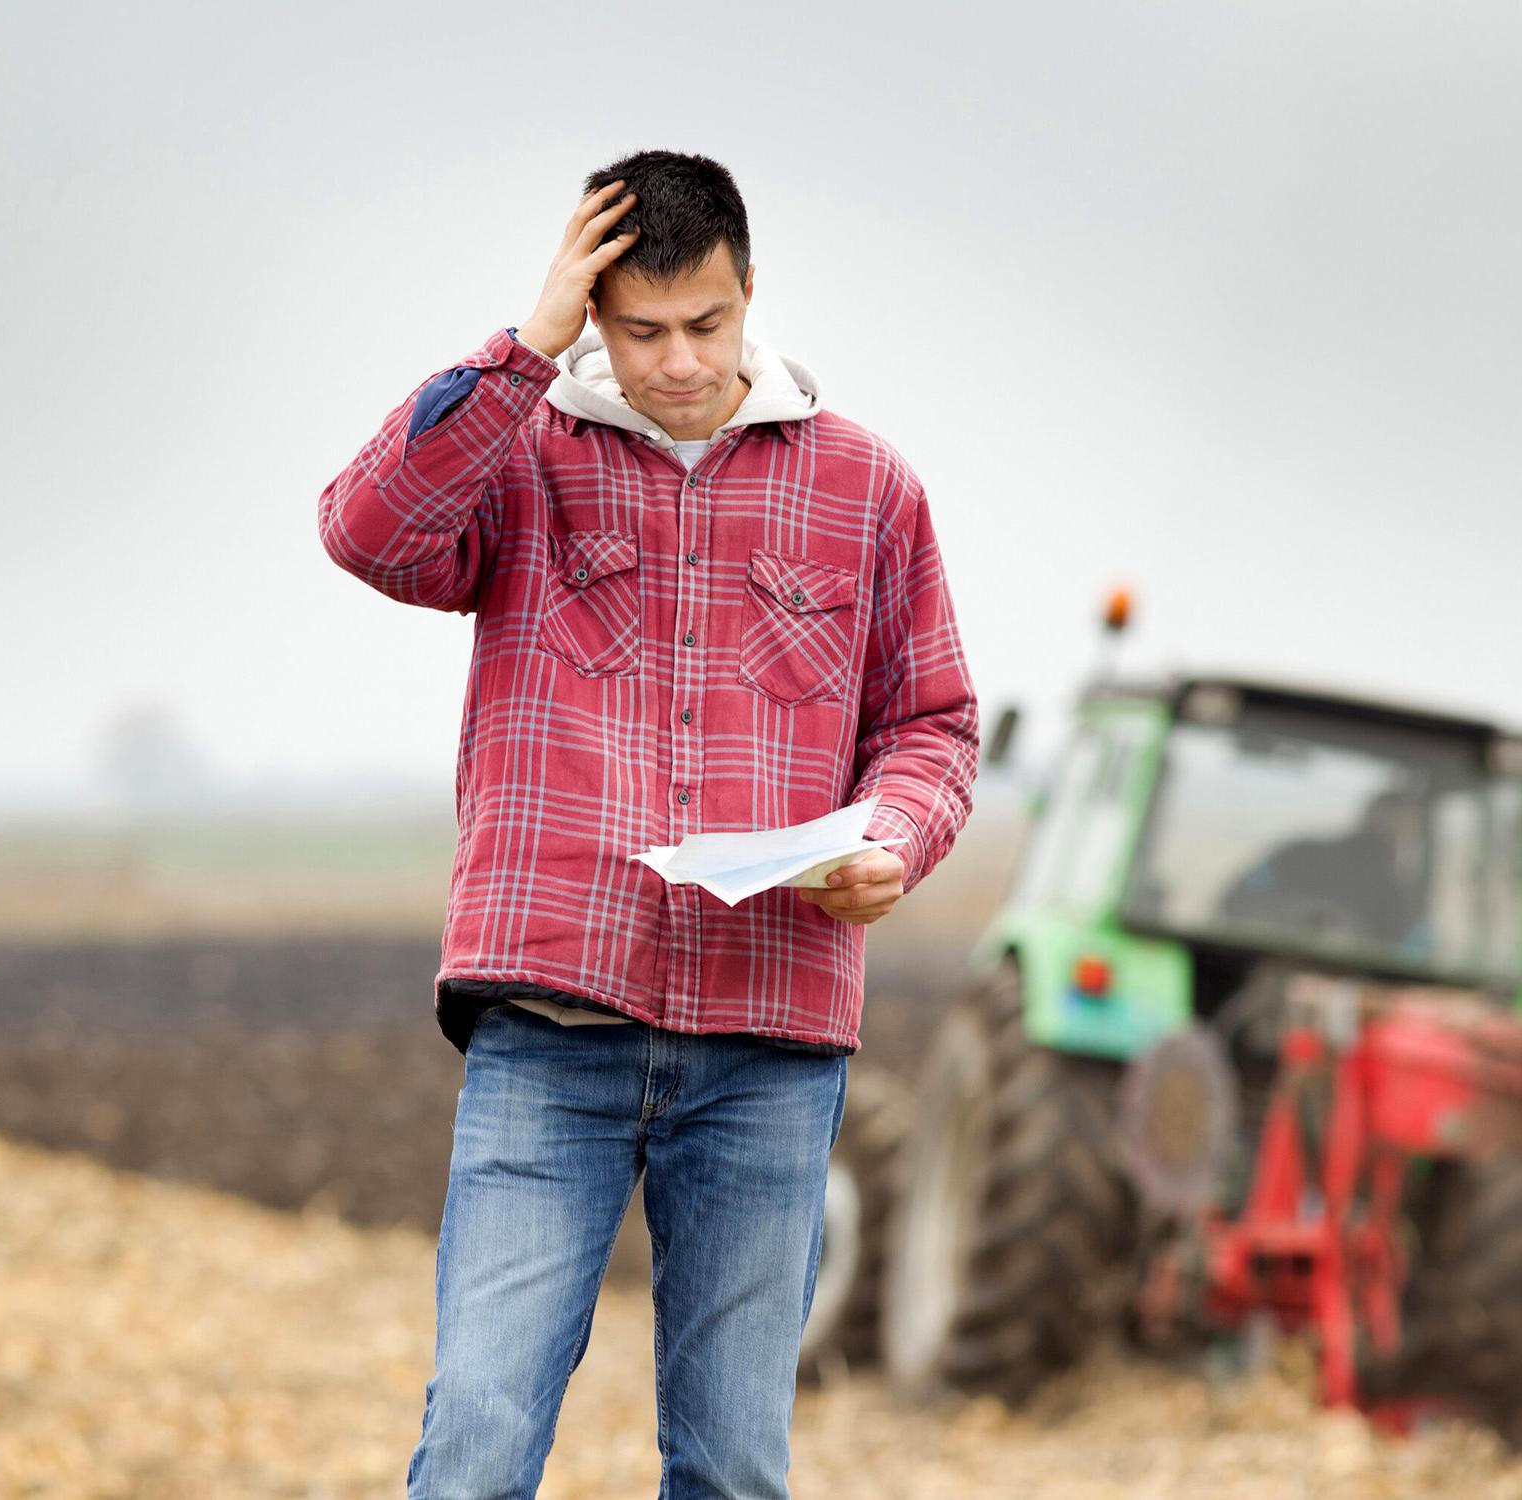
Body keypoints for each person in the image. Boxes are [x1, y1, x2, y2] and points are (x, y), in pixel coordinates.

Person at [316, 149, 979, 1498]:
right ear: (596, 314)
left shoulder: (867, 488)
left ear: (749, 294)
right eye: (639, 330)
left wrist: (893, 842)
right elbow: (368, 533)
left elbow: (931, 727)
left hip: (767, 1047)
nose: (677, 361)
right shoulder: (517, 455)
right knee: (478, 1442)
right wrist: (525, 346)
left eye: (706, 325)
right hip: (549, 1030)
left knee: (732, 1467)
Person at [1218, 787, 1433, 950]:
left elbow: (1416, 951)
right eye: (1396, 827)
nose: (1398, 837)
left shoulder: (1398, 895)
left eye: (1406, 831)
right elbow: (1236, 901)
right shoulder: (1299, 856)